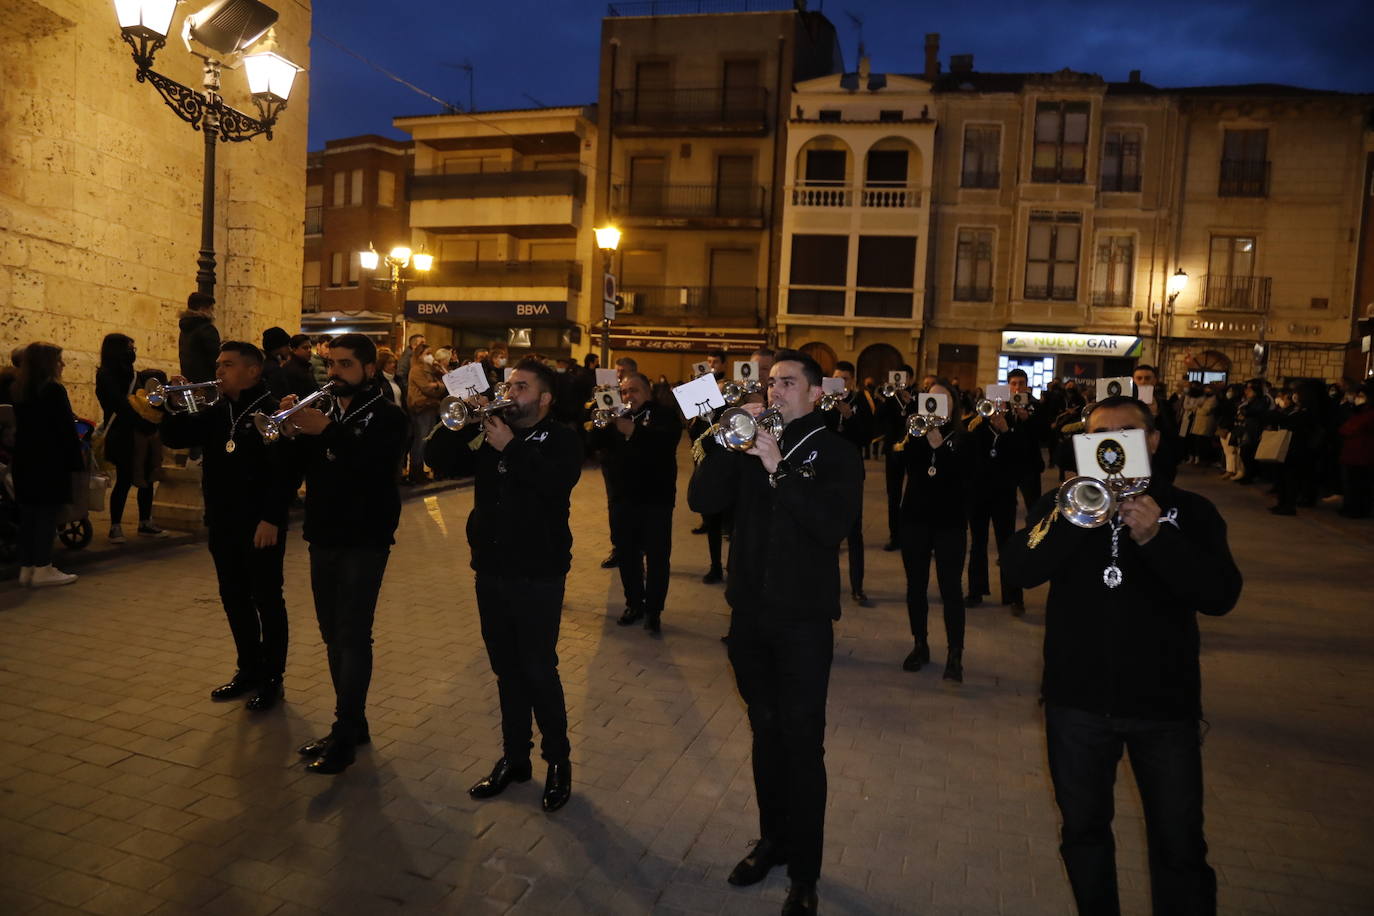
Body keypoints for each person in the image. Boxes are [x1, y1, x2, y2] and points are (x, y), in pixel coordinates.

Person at [1001, 395, 1242, 916]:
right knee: (1083, 834)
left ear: (1151, 441)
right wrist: (1073, 518)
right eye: (1098, 436)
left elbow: (1220, 595)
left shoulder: (1191, 511)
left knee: (1179, 845)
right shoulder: (1063, 504)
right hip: (1077, 703)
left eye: (1125, 434)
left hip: (1164, 708)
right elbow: (1018, 570)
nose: (1110, 445)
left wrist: (1157, 537)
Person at [688, 350, 862, 916]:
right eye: (771, 382)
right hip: (749, 616)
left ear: (816, 393)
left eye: (788, 382)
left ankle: (805, 874)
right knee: (764, 732)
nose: (775, 390)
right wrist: (724, 437)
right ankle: (773, 841)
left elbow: (830, 527)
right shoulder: (747, 441)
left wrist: (777, 468)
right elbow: (702, 501)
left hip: (803, 622)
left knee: (803, 745)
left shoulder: (835, 452)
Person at [446, 360, 582, 812]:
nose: (510, 392)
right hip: (491, 569)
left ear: (544, 399)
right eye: (508, 385)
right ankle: (515, 758)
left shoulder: (561, 438)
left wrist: (511, 447)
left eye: (521, 387)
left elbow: (555, 485)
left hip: (538, 572)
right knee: (506, 669)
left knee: (539, 669)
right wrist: (461, 417)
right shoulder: (490, 430)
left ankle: (558, 761)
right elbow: (439, 460)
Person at [285, 334, 409, 774]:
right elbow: (306, 467)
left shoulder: (388, 415)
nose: (334, 372)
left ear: (369, 370)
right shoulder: (327, 411)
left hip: (365, 538)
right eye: (332, 363)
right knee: (331, 633)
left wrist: (326, 431)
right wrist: (291, 432)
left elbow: (374, 468)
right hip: (324, 534)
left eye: (345, 364)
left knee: (353, 635)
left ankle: (344, 732)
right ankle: (353, 725)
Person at [159, 342, 293, 710]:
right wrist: (177, 403)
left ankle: (272, 678)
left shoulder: (272, 410)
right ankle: (247, 669)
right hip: (222, 520)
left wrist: (272, 518)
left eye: (228, 364)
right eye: (218, 364)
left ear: (252, 371)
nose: (218, 371)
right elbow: (176, 437)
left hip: (260, 525)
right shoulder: (216, 409)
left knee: (267, 599)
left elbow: (284, 473)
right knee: (233, 596)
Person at [591, 372, 682, 633]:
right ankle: (634, 603)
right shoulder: (616, 415)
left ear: (648, 392)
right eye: (624, 391)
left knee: (657, 557)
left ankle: (654, 610)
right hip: (624, 498)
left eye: (634, 390)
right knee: (627, 554)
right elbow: (595, 444)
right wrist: (601, 420)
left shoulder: (664, 415)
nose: (629, 395)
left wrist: (633, 431)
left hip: (656, 499)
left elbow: (665, 445)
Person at [898, 379, 972, 680]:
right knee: (915, 586)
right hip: (915, 519)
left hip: (950, 522)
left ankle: (955, 653)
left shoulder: (965, 438)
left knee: (950, 587)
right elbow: (909, 468)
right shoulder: (914, 434)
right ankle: (920, 644)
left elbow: (964, 479)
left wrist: (940, 448)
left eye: (944, 400)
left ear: (952, 407)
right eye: (931, 400)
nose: (937, 405)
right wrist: (917, 438)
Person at [11, 342, 83, 588]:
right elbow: (66, 430)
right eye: (58, 360)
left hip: (25, 460)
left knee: (28, 516)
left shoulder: (19, 389)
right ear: (47, 364)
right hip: (49, 462)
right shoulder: (53, 390)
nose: (62, 364)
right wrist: (76, 463)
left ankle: (27, 567)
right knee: (46, 516)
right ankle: (43, 567)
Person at [95, 333, 169, 541]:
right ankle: (115, 526)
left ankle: (145, 522)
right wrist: (140, 421)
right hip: (123, 433)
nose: (132, 352)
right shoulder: (106, 376)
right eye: (129, 348)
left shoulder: (135, 375)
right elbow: (118, 403)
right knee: (125, 479)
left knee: (147, 477)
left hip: (144, 433)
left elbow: (146, 399)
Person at [965, 382, 1029, 616]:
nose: (996, 409)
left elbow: (1021, 457)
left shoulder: (1015, 428)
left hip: (1004, 495)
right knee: (978, 544)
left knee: (1008, 544)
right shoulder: (977, 428)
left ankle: (1013, 595)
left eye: (1001, 404)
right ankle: (976, 590)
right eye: (992, 404)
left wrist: (1006, 432)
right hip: (979, 495)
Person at [824, 361, 873, 605]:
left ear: (852, 381)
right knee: (826, 530)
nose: (840, 382)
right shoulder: (823, 403)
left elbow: (866, 437)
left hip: (851, 474)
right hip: (826, 474)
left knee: (854, 532)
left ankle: (857, 587)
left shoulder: (860, 401)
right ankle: (827, 584)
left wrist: (850, 416)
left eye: (844, 378)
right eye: (836, 378)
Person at [874, 363, 915, 551]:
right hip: (893, 450)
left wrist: (910, 401)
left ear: (911, 379)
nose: (900, 382)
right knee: (893, 494)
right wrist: (887, 398)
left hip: (914, 449)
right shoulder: (889, 398)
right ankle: (895, 535)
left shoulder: (918, 396)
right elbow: (878, 418)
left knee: (914, 493)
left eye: (905, 378)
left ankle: (912, 534)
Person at [1004, 369, 1047, 515]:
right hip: (1007, 464)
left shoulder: (1037, 405)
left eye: (1021, 383)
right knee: (1006, 507)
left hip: (1029, 464)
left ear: (1027, 385)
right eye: (1013, 383)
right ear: (1008, 386)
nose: (1017, 387)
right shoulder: (1002, 405)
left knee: (1034, 506)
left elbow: (1044, 434)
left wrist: (1027, 419)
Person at [405, 344, 445, 485]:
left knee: (425, 440)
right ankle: (415, 472)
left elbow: (441, 385)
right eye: (427, 353)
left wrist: (437, 385)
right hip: (421, 407)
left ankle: (420, 471)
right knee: (420, 441)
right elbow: (427, 388)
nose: (430, 356)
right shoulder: (417, 370)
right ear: (419, 355)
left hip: (430, 407)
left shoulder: (430, 369)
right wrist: (436, 386)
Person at [1337, 381, 1374, 518]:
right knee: (1349, 483)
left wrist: (1350, 429)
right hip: (1350, 453)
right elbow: (1344, 428)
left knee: (1360, 484)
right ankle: (1349, 506)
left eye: (1362, 396)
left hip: (1363, 454)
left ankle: (1358, 509)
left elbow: (1355, 428)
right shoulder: (1356, 412)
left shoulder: (1370, 413)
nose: (1358, 398)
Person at [178, 292, 220, 383]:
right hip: (206, 382)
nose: (213, 312)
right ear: (203, 309)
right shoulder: (207, 329)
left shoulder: (185, 328)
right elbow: (215, 358)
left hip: (189, 381)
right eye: (211, 309)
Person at [260, 327, 292, 399]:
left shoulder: (264, 364)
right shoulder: (273, 369)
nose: (289, 350)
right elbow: (280, 397)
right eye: (287, 346)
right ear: (277, 347)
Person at [395, 333, 425, 398]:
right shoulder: (407, 356)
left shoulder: (415, 355)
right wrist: (409, 391)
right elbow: (400, 374)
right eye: (422, 343)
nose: (424, 346)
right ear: (414, 345)